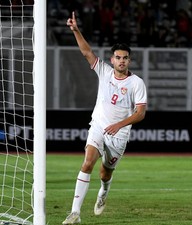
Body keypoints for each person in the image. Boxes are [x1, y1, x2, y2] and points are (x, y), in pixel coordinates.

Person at [63, 12, 147, 224]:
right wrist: (75, 30)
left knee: (104, 173)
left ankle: (103, 193)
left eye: (125, 58)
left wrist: (118, 125)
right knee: (87, 163)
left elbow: (140, 113)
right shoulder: (105, 72)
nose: (121, 61)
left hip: (119, 135)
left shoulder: (136, 83)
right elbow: (86, 52)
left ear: (129, 60)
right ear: (112, 60)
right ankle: (75, 213)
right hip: (99, 126)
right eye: (117, 57)